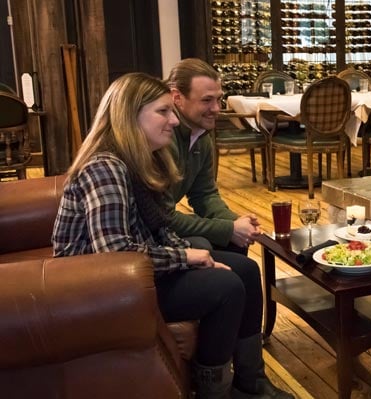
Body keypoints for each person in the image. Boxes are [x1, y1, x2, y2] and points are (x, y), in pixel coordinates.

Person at [51, 73, 293, 399]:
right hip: (97, 290)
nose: (173, 120)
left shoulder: (137, 159)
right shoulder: (105, 166)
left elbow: (158, 228)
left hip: (128, 276)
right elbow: (114, 254)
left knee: (247, 271)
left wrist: (190, 253)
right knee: (226, 287)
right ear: (129, 115)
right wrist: (187, 257)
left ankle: (251, 382)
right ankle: (215, 391)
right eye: (163, 112)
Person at [165, 58, 261, 254]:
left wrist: (236, 222)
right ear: (177, 98)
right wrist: (229, 228)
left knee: (235, 242)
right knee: (210, 243)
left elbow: (204, 194)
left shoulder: (201, 137)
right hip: (146, 233)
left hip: (165, 223)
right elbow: (163, 217)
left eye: (218, 99)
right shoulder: (162, 139)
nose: (217, 108)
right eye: (207, 100)